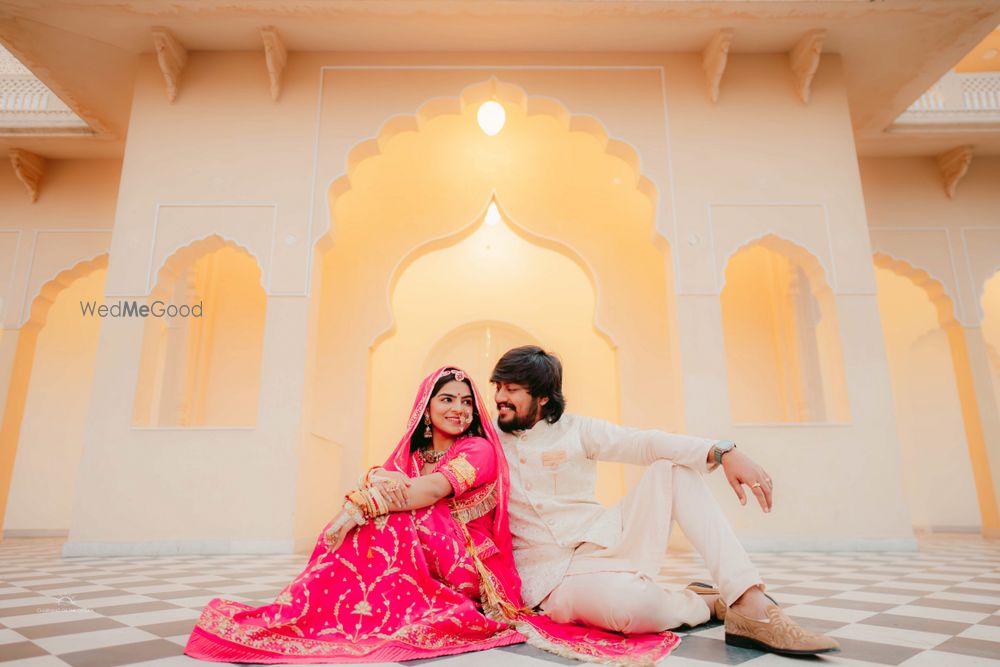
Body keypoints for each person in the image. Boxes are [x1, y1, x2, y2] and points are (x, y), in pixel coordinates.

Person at [184, 366, 684, 665]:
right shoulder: (408, 454)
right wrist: (364, 502)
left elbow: (429, 491)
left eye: (467, 401)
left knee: (404, 517)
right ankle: (320, 613)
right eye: (447, 399)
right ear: (426, 408)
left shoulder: (479, 450)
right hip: (427, 556)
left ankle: (356, 613)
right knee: (385, 516)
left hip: (476, 567)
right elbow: (388, 480)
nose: (460, 409)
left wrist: (368, 504)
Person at [490, 345, 841, 656]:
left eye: (512, 389)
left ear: (544, 397)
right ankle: (705, 602)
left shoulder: (577, 429)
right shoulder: (487, 440)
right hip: (551, 578)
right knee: (633, 609)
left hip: (602, 540)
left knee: (674, 469)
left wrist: (721, 451)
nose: (500, 397)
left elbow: (644, 443)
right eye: (498, 387)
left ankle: (748, 601)